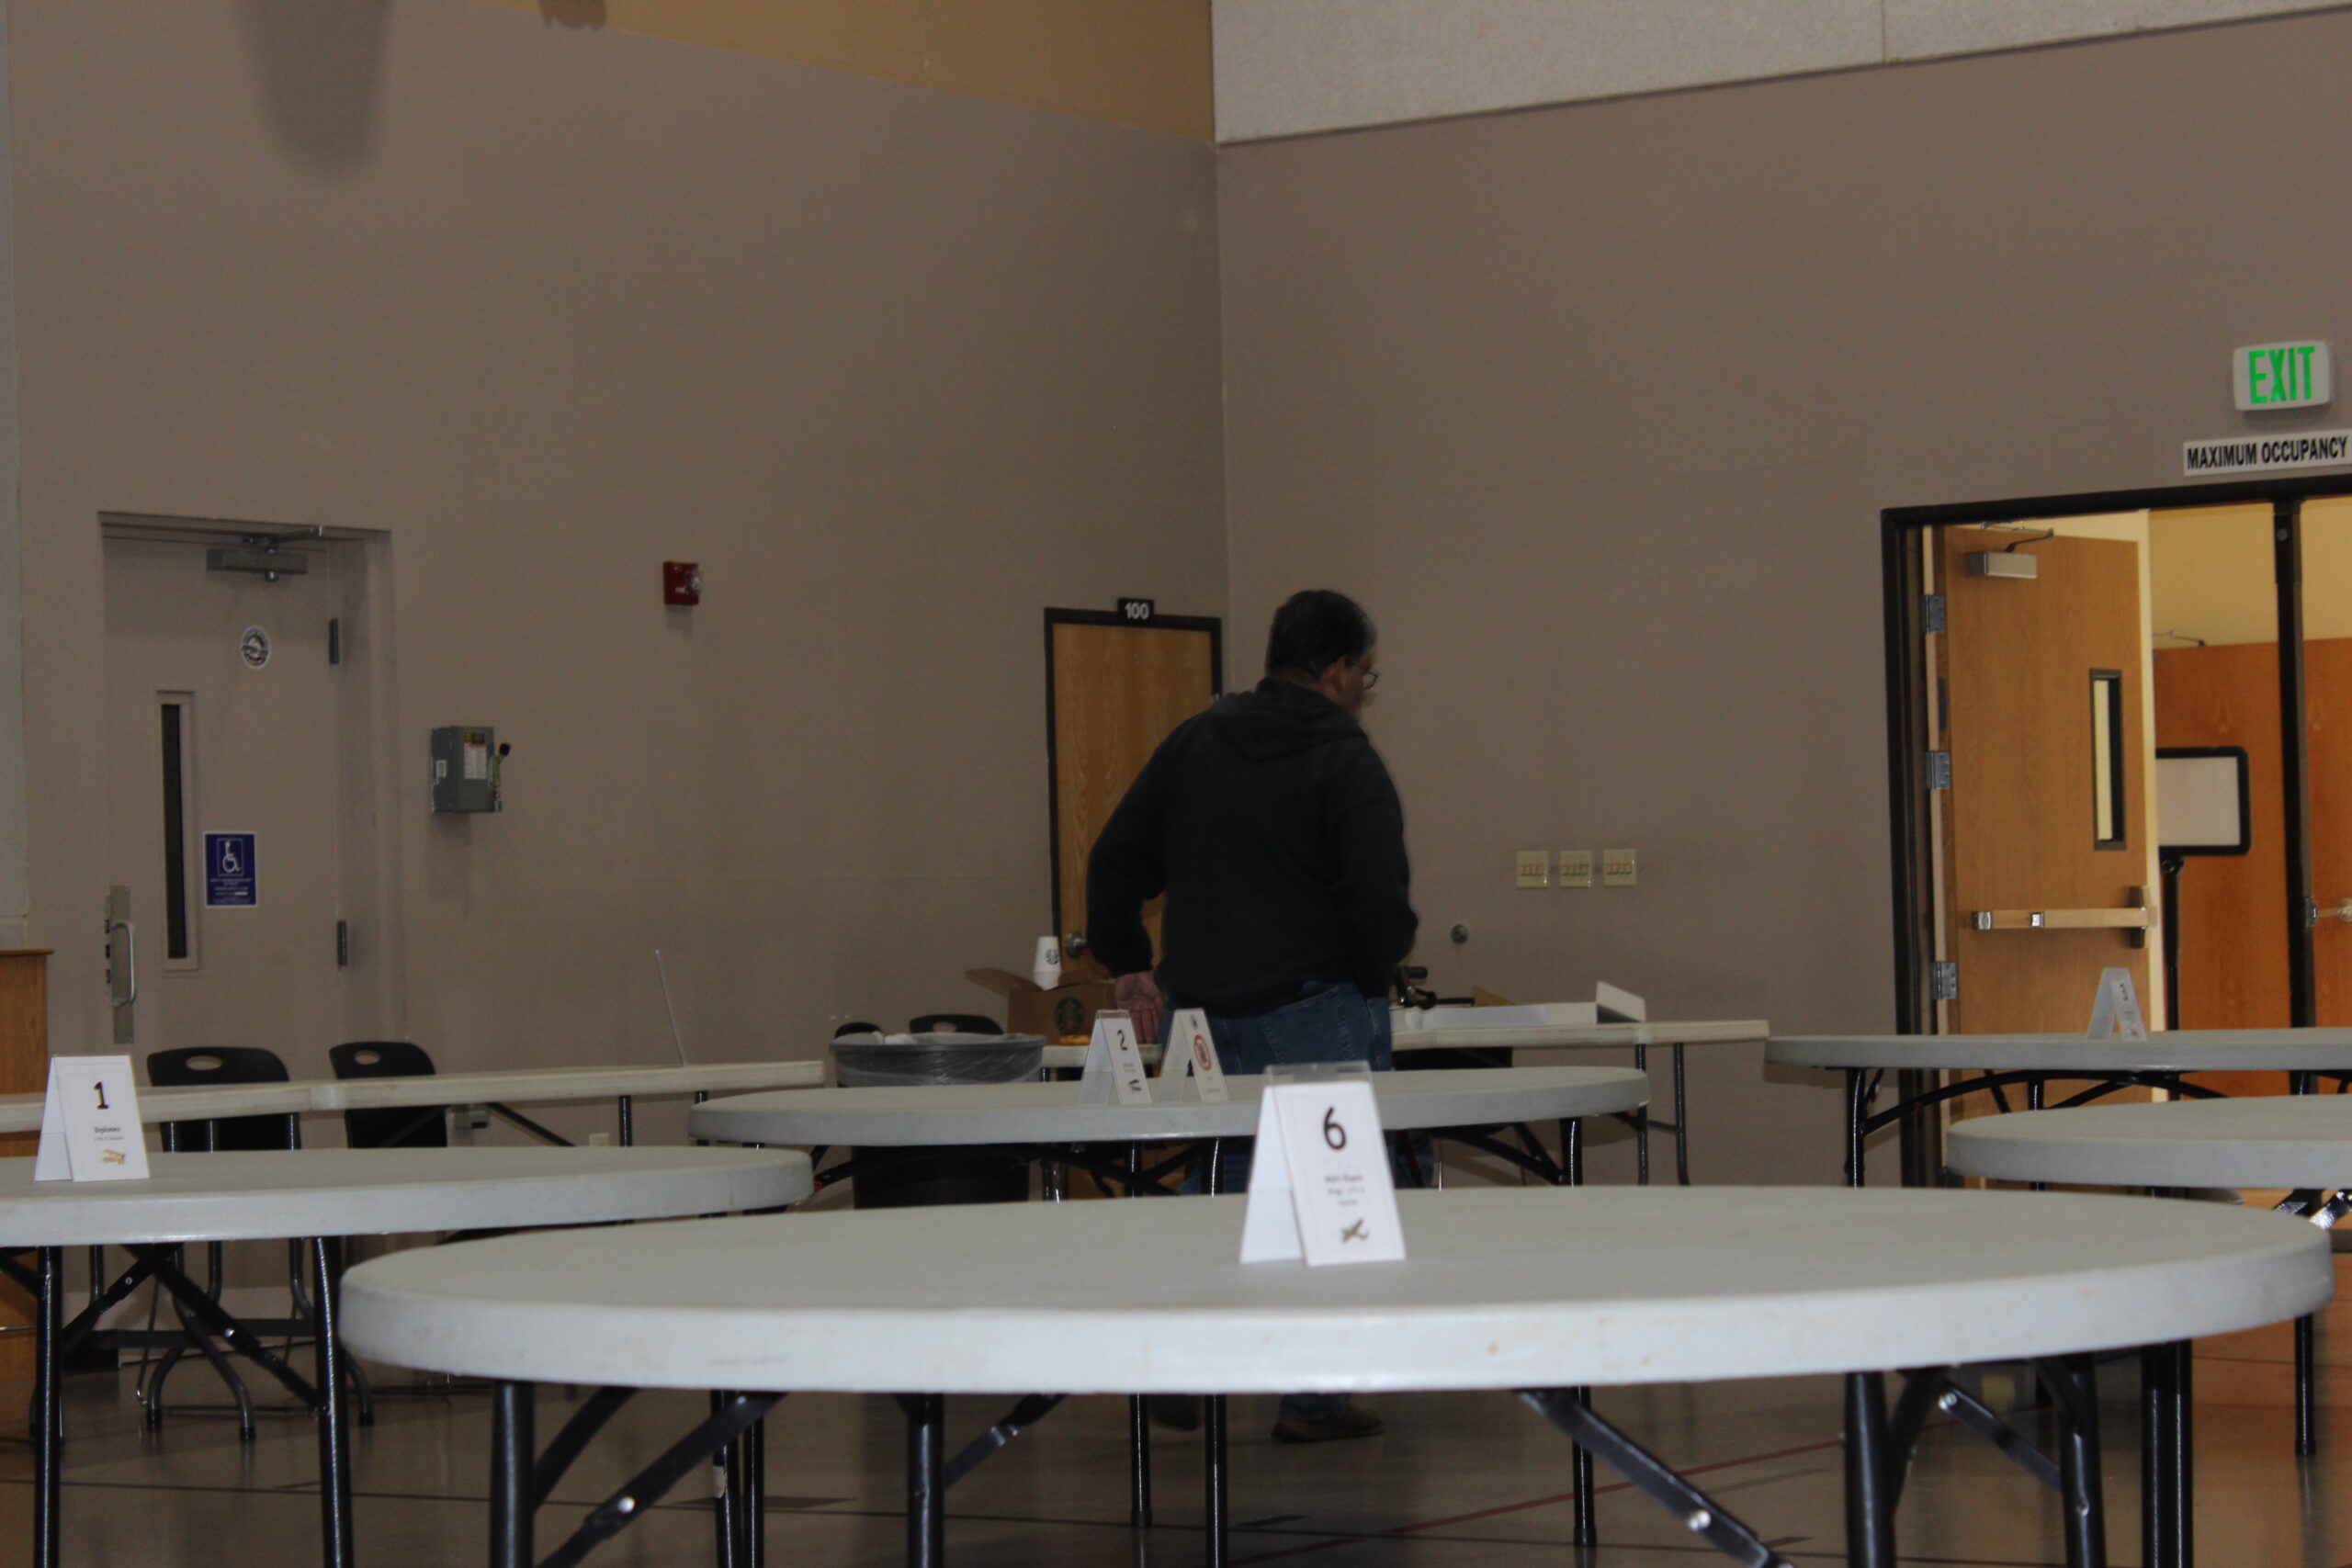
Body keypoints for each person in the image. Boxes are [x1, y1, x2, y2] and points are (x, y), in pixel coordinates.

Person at [1086, 588, 1418, 1444]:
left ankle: (1182, 1357)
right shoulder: (1346, 760)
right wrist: (1369, 978)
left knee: (1222, 1184)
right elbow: (1378, 897)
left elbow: (1113, 859)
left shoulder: (1194, 742)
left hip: (1199, 1017)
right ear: (1337, 670)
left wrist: (1128, 961)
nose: (1364, 688)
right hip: (1312, 1007)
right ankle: (1313, 1398)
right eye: (1366, 673)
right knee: (1331, 1205)